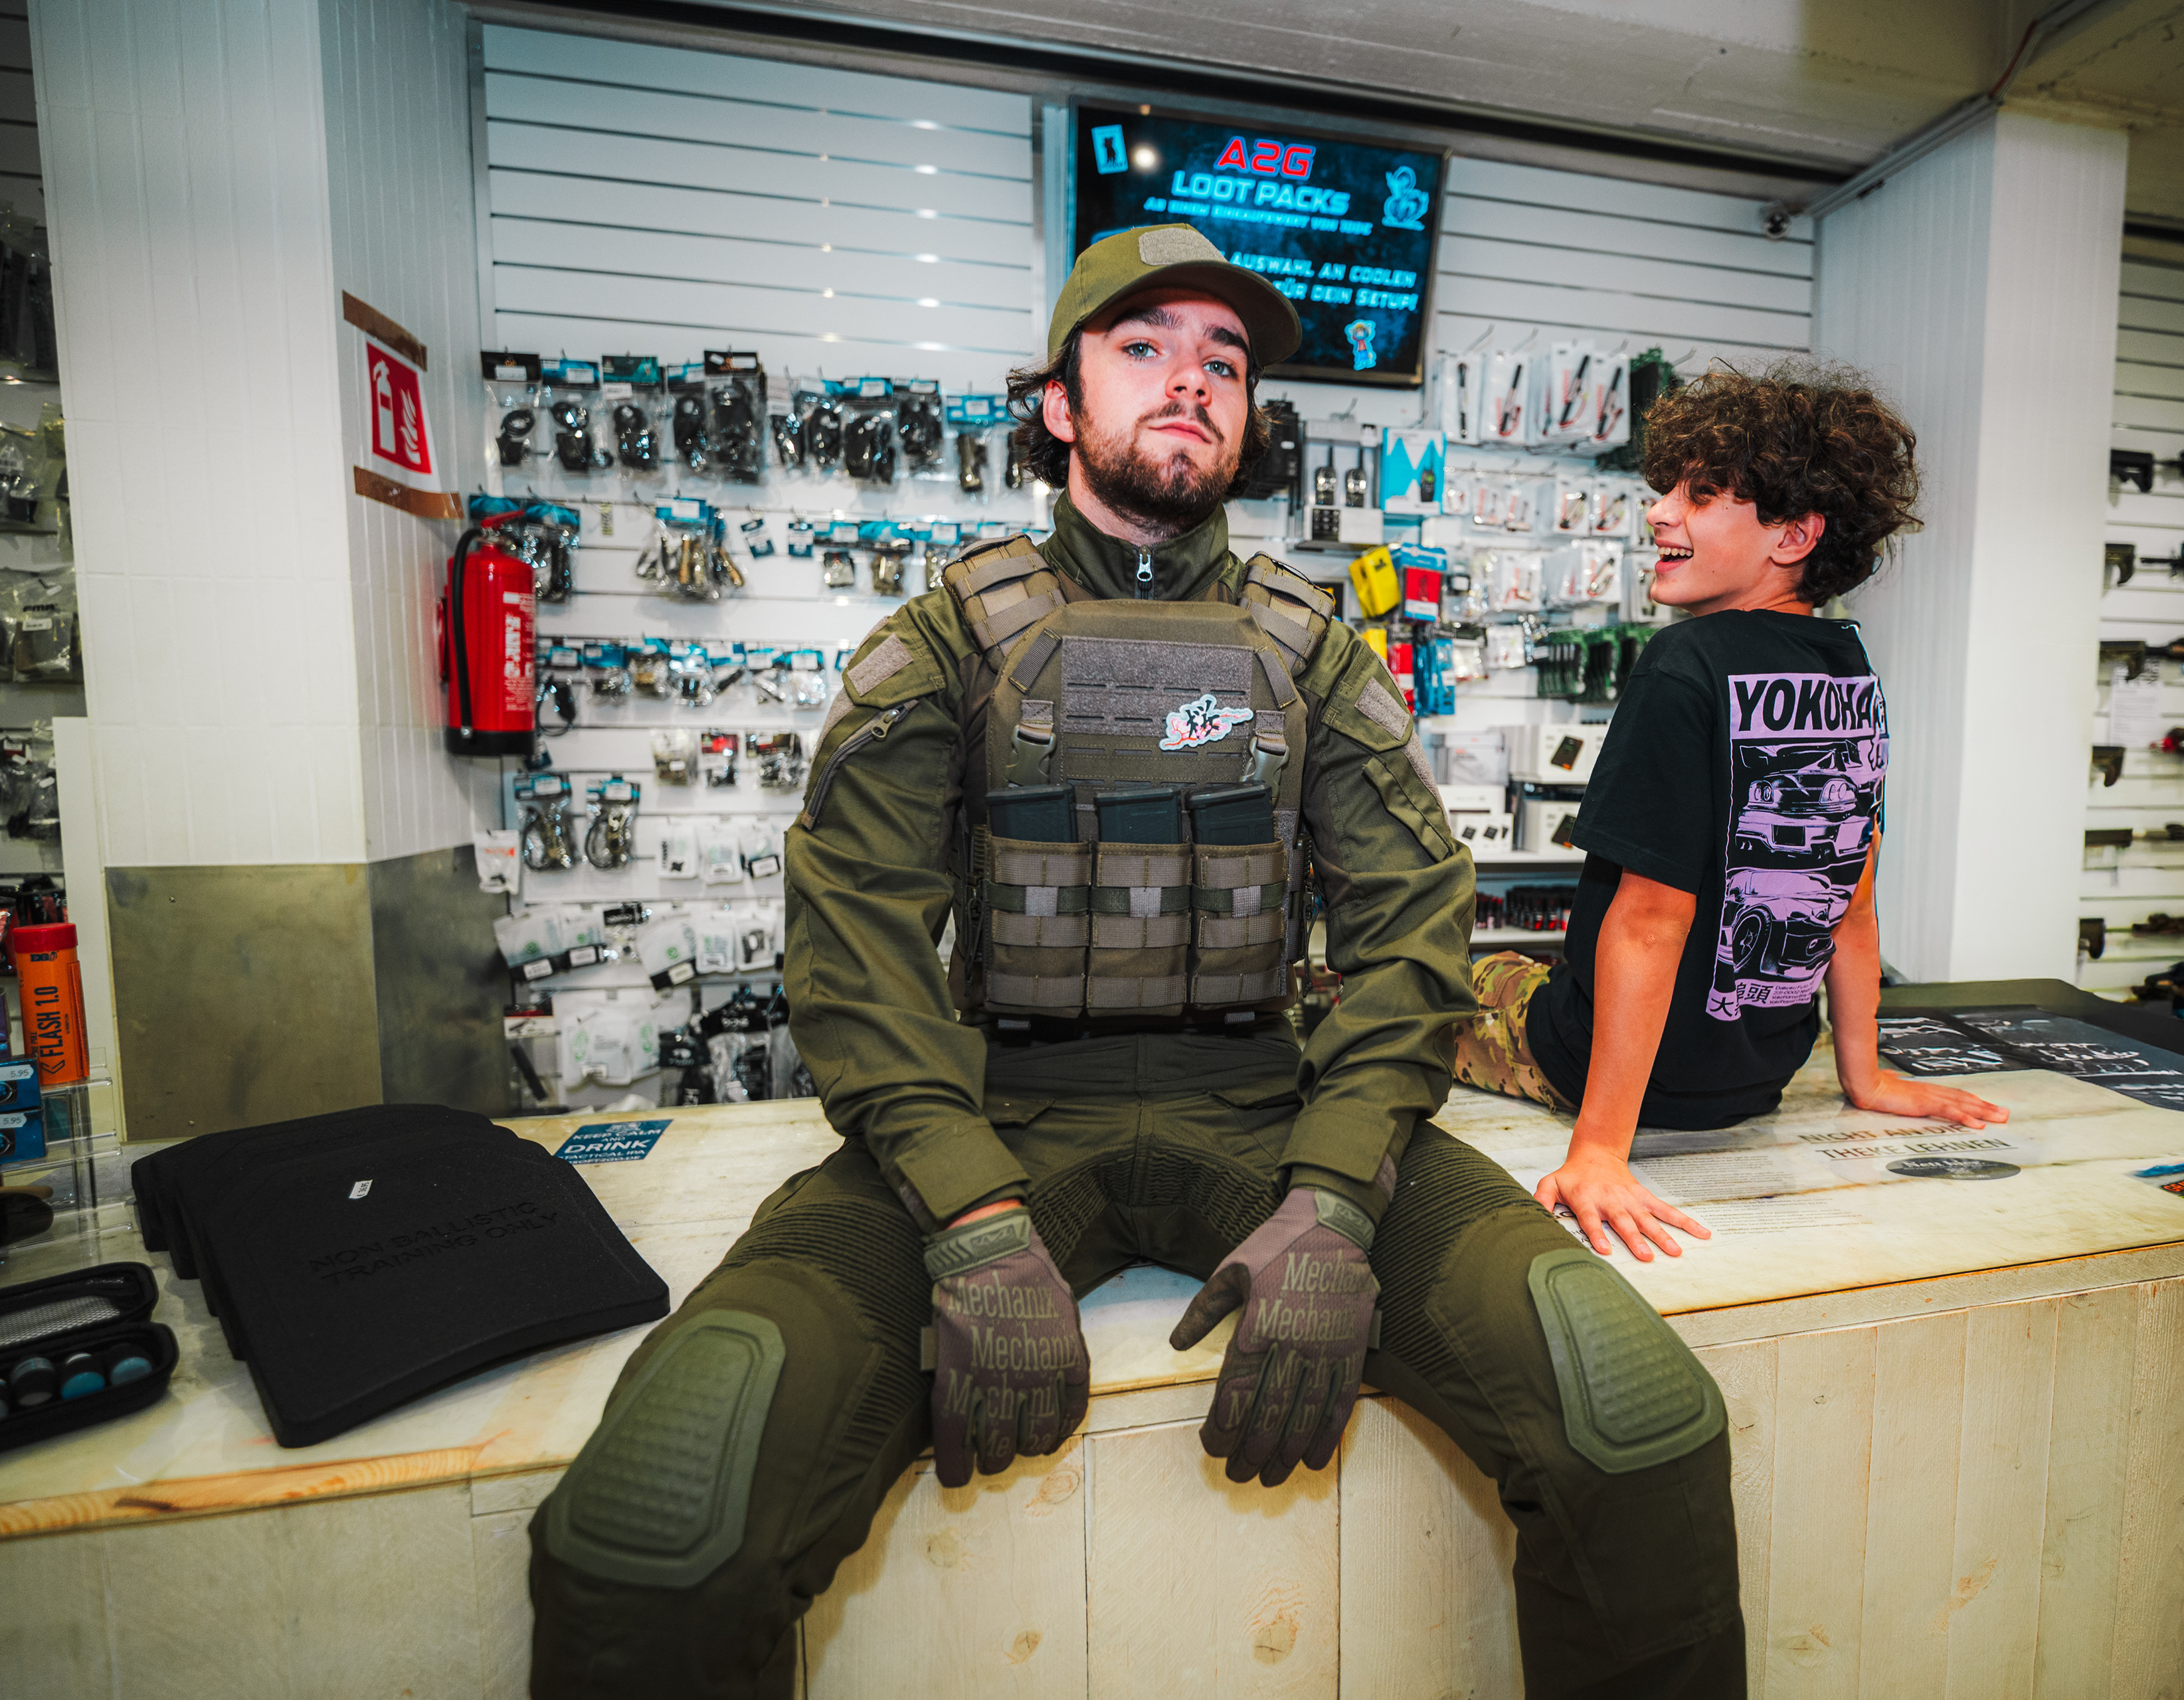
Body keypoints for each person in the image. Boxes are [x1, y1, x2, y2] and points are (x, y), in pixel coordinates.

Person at [527, 225, 1744, 1699]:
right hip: (995, 1117)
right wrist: (968, 1210)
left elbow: (1411, 928)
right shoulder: (947, 639)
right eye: (1145, 346)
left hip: (1276, 1112)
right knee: (656, 1525)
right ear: (1059, 403)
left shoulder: (1315, 650)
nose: (1193, 379)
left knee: (1640, 1422)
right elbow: (855, 945)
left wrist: (1338, 1192)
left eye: (1225, 360)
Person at [1455, 361, 2008, 1262]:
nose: (1659, 512)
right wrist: (1865, 1076)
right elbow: (1852, 900)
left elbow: (1649, 923)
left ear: (1793, 535)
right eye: (1668, 488)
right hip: (1757, 1082)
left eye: (1700, 495)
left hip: (1604, 1076)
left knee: (1425, 981)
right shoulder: (1849, 670)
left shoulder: (1683, 665)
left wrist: (1599, 1152)